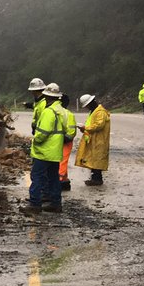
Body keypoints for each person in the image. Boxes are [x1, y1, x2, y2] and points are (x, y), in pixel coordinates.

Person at [25, 83, 72, 213]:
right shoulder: (63, 111)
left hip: (43, 151)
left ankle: (35, 204)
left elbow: (42, 133)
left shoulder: (48, 112)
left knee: (37, 177)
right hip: (55, 151)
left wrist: (36, 140)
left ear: (46, 96)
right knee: (53, 178)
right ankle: (55, 203)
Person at [76, 94, 111, 186]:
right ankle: (94, 178)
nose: (87, 107)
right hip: (94, 139)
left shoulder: (100, 112)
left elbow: (99, 125)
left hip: (100, 139)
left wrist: (86, 128)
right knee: (93, 158)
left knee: (97, 159)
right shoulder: (94, 111)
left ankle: (97, 179)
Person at [58, 92, 77, 191]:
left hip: (64, 141)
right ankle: (64, 180)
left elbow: (70, 132)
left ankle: (61, 180)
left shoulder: (57, 113)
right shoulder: (69, 114)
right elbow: (72, 132)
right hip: (65, 140)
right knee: (63, 161)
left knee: (61, 162)